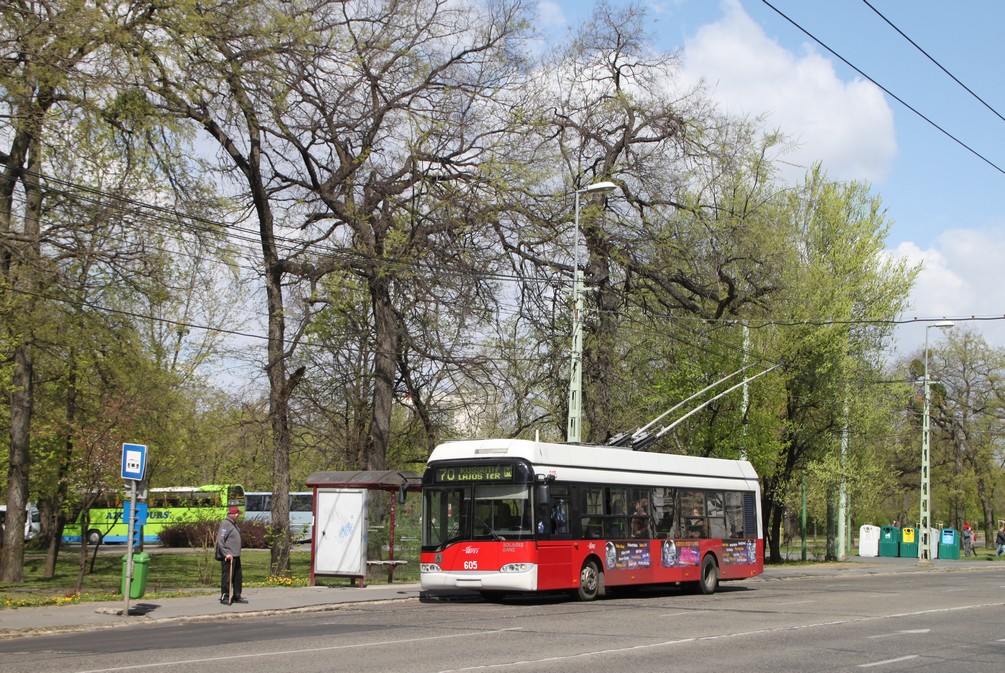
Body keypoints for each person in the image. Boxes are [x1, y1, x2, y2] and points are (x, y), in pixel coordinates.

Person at [216, 506, 246, 604]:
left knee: (237, 577)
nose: (238, 516)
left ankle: (237, 596)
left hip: (236, 555)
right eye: (237, 515)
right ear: (233, 515)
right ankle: (225, 596)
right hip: (228, 556)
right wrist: (226, 553)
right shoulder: (226, 524)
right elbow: (220, 540)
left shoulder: (233, 524)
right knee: (227, 578)